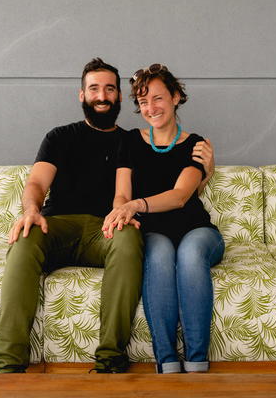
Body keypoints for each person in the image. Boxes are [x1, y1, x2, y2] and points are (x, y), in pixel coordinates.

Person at [0, 58, 214, 374]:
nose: (102, 95)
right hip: (59, 225)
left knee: (128, 239)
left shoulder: (131, 142)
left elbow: (175, 183)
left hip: (106, 229)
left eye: (110, 89)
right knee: (25, 238)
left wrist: (207, 172)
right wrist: (30, 210)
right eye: (94, 88)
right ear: (81, 95)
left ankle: (111, 358)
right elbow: (37, 183)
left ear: (120, 98)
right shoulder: (59, 137)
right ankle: (9, 364)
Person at [101, 63, 225, 374]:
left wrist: (135, 205)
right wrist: (120, 209)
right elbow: (121, 193)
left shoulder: (195, 144)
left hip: (196, 229)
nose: (151, 108)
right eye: (143, 102)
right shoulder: (128, 141)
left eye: (158, 98)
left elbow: (180, 195)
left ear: (176, 97)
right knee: (158, 256)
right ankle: (167, 359)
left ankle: (197, 359)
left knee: (190, 253)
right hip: (152, 231)